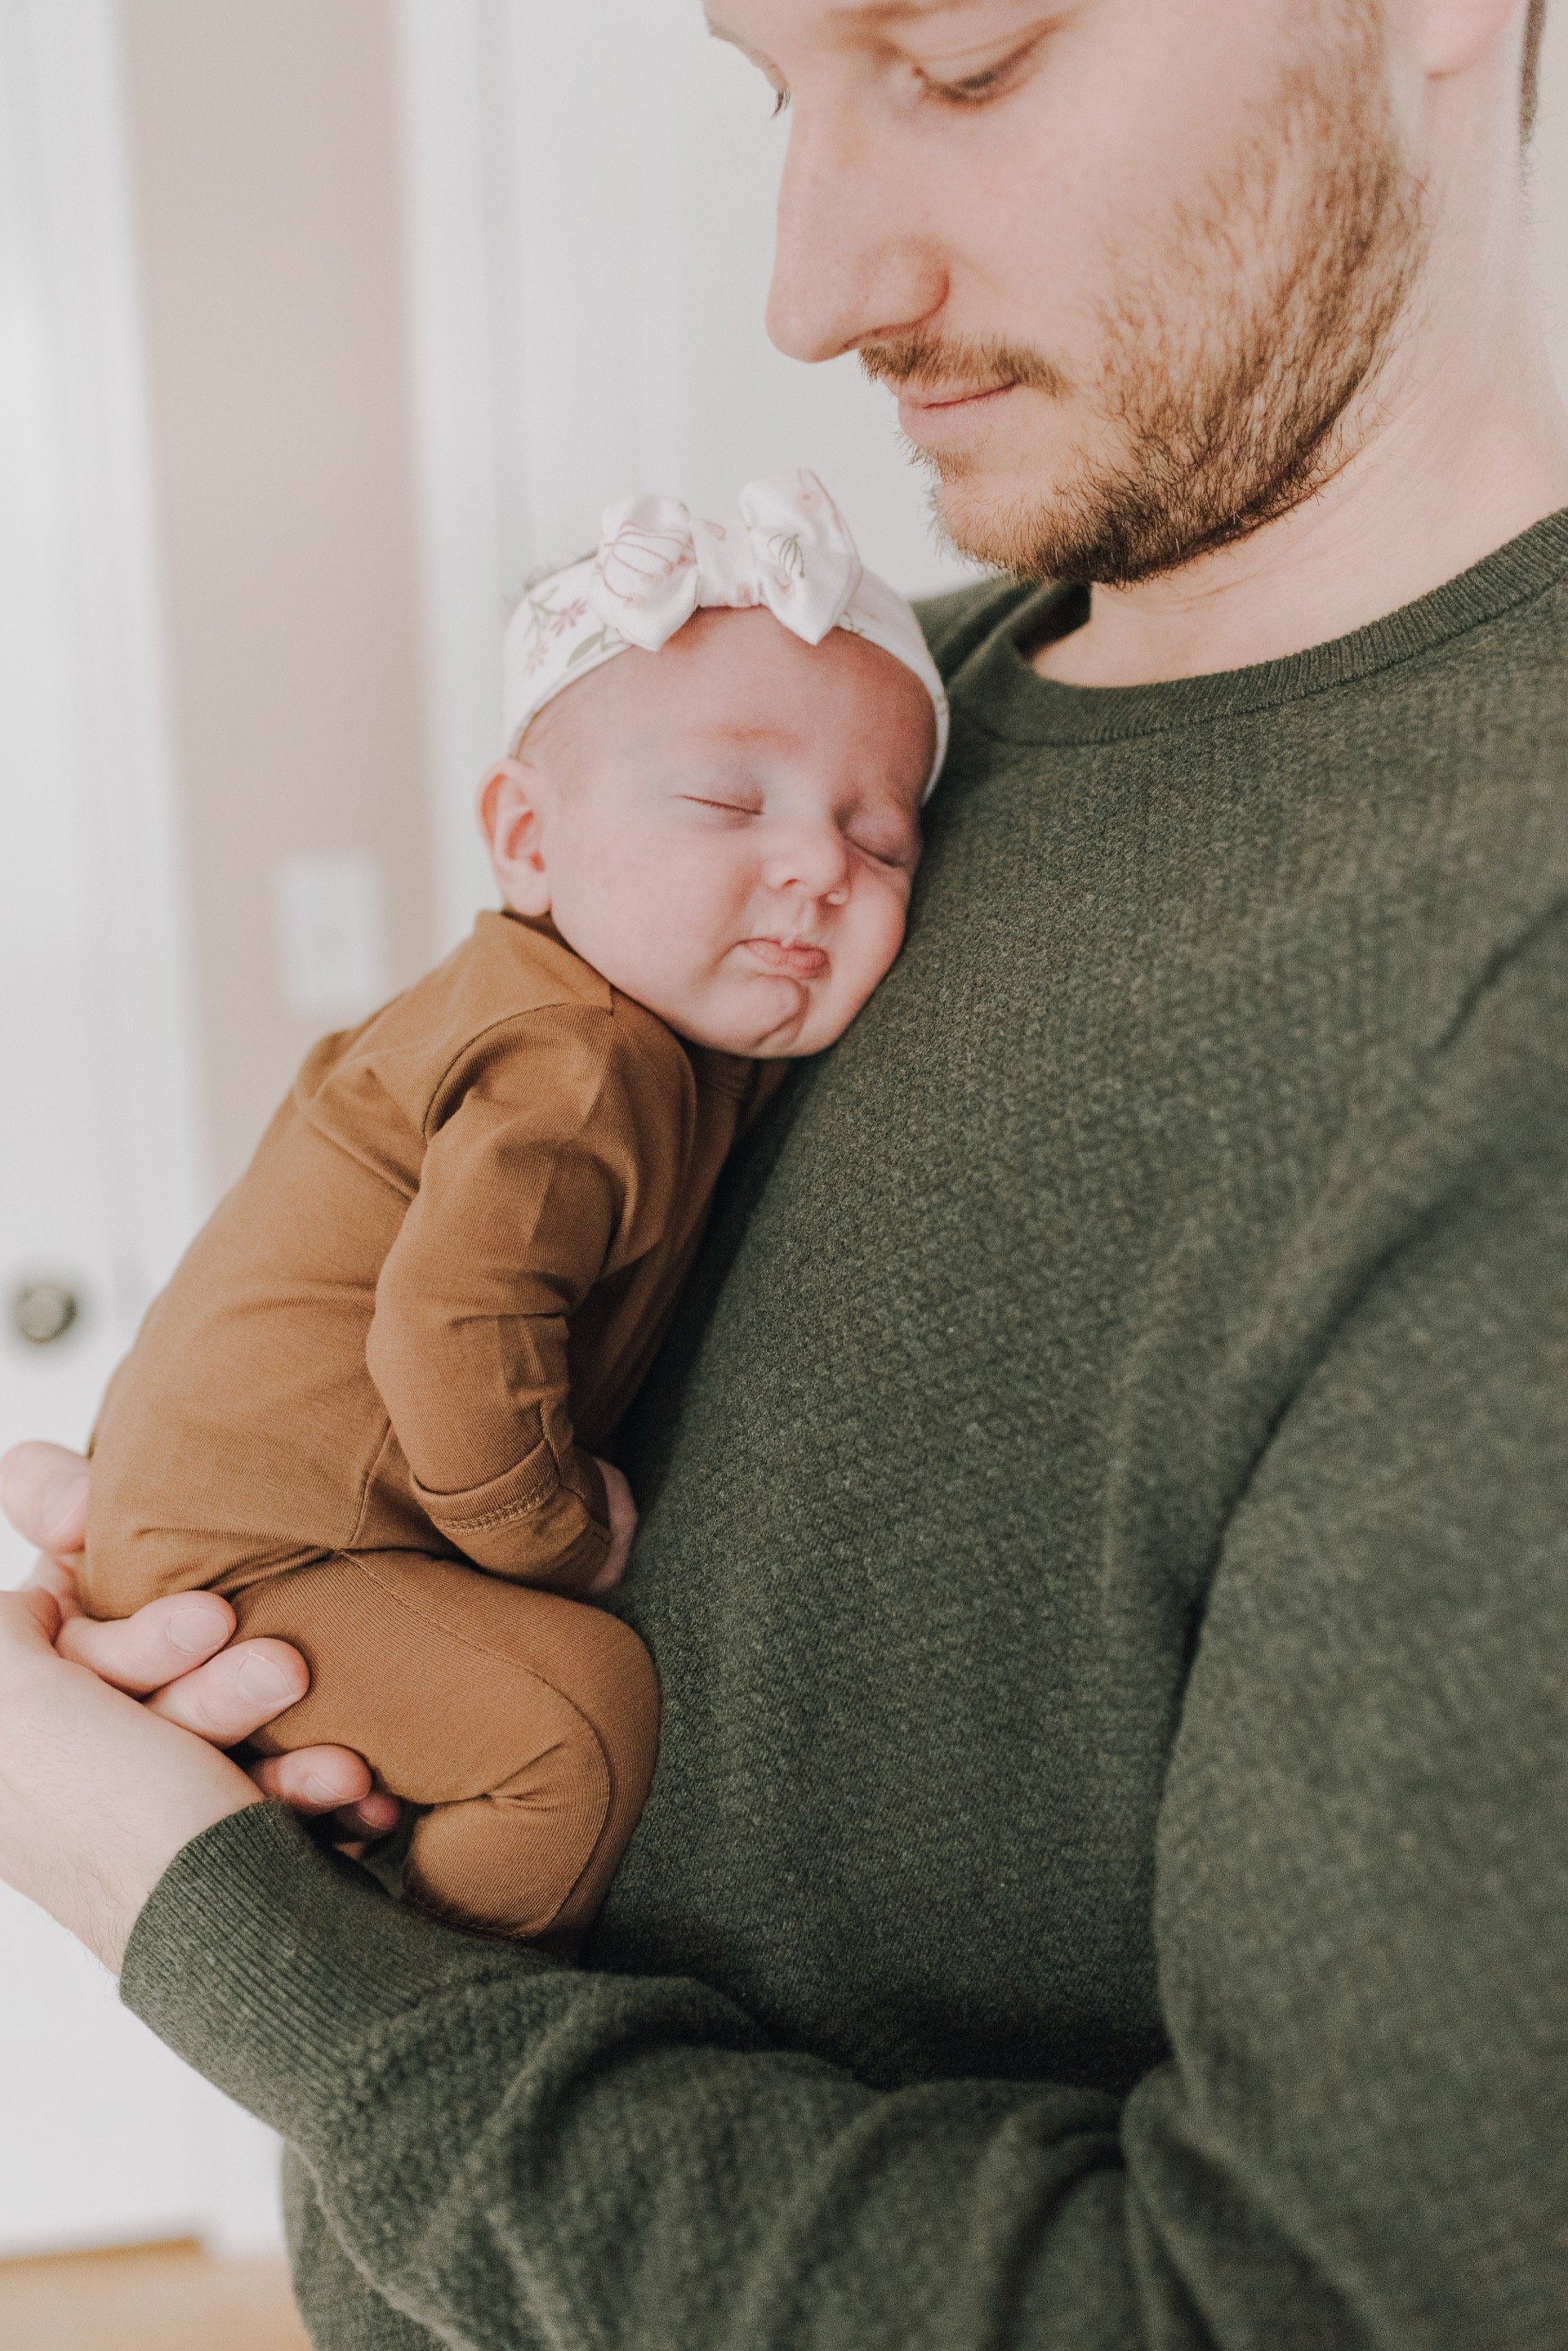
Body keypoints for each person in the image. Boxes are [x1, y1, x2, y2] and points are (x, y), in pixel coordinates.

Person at [1, 0, 1565, 2343]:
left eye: (960, 60)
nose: (808, 290)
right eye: (770, 87)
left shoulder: (1503, 992)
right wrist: (268, 1676)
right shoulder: (862, 734)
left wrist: (194, 1910)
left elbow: (1307, 2305)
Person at [62, 473, 943, 1943]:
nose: (817, 866)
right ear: (527, 840)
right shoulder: (580, 1054)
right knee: (575, 1726)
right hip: (267, 1549)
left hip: (218, 1511)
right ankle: (418, 2019)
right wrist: (558, 1535)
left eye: (887, 842)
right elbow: (452, 1330)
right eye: (731, 799)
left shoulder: (613, 1027)